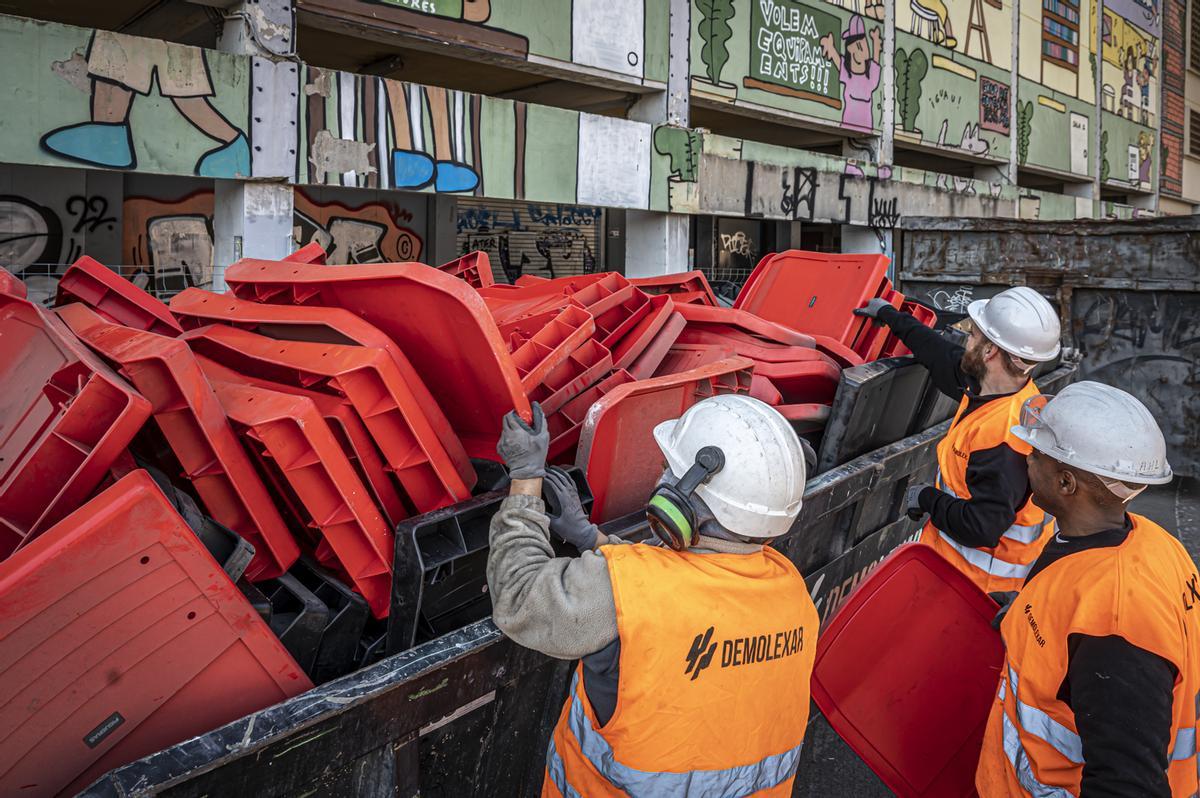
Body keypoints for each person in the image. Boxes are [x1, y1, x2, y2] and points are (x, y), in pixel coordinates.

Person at [488, 395, 818, 797]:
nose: (660, 478)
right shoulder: (793, 595)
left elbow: (519, 596)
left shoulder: (625, 592)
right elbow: (681, 587)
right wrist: (591, 538)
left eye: (667, 471)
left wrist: (524, 478)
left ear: (682, 502)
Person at [976, 381, 1198, 797]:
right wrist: (1026, 607)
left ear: (1065, 483)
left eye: (1037, 455)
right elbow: (1070, 606)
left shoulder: (1114, 624)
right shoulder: (1151, 541)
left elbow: (1127, 785)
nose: (1027, 460)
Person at [856, 286, 1060, 594]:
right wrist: (889, 315)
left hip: (980, 591)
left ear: (990, 352)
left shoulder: (1005, 443)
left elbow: (982, 527)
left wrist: (927, 498)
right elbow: (937, 351)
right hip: (955, 572)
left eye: (973, 335)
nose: (967, 341)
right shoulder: (996, 388)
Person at [820, 15, 883, 132]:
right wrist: (830, 47)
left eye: (864, 45)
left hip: (867, 129)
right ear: (850, 48)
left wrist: (875, 42)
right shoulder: (847, 72)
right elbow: (836, 58)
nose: (864, 51)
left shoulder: (870, 78)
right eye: (859, 46)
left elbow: (875, 59)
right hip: (847, 127)